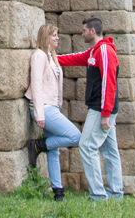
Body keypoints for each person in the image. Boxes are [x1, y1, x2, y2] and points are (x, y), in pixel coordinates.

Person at [57, 16, 123, 200]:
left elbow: (109, 83)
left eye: (84, 30)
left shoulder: (104, 51)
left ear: (92, 31)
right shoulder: (94, 51)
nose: (82, 33)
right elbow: (76, 58)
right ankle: (116, 193)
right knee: (109, 151)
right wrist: (53, 58)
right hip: (102, 109)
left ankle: (98, 195)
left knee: (86, 146)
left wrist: (105, 114)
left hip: (101, 109)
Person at [25, 23, 81, 200]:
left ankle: (58, 191)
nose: (57, 38)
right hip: (43, 107)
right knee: (75, 136)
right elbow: (36, 85)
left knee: (54, 151)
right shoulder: (39, 56)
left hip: (52, 106)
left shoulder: (51, 56)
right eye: (54, 35)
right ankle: (38, 145)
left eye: (57, 35)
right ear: (46, 37)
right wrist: (40, 115)